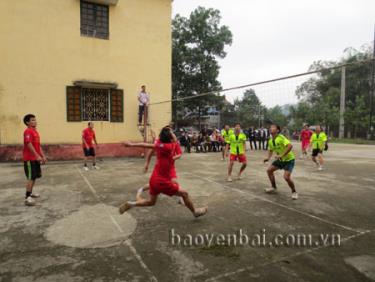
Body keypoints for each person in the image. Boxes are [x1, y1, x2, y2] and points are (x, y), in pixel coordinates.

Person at [119, 126, 207, 218]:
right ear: (169, 137)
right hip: (162, 182)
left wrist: (132, 145)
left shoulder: (160, 143)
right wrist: (131, 145)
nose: (173, 133)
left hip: (155, 178)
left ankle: (131, 204)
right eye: (171, 132)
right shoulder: (168, 146)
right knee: (185, 194)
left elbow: (153, 147)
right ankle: (195, 212)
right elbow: (149, 146)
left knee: (151, 202)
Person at [264, 124, 298, 200]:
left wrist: (281, 155)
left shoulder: (281, 137)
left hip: (289, 160)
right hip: (280, 160)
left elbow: (290, 146)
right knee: (269, 170)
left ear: (277, 130)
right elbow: (270, 150)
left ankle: (294, 191)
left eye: (273, 127)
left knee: (286, 177)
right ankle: (273, 187)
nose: (271, 128)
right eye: (270, 127)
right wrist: (268, 158)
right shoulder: (270, 140)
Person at [23, 114, 47, 206]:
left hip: (35, 158)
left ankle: (30, 193)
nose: (35, 121)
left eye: (35, 120)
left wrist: (43, 156)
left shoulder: (35, 132)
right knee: (30, 177)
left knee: (34, 177)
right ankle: (27, 197)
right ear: (27, 122)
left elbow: (38, 145)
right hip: (29, 159)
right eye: (32, 120)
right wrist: (37, 156)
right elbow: (29, 144)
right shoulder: (27, 131)